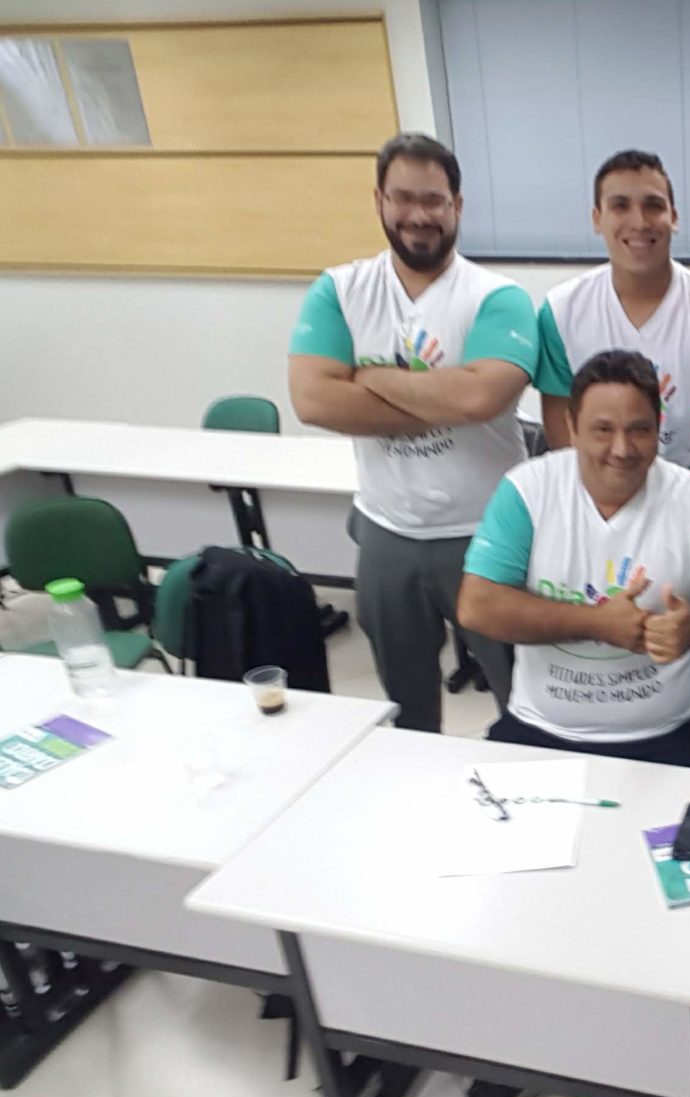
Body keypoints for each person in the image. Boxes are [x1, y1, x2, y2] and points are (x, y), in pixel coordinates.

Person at [288, 133, 536, 736]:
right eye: (403, 198)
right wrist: (445, 396)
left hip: (487, 531)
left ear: (457, 205)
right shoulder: (340, 291)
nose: (418, 215)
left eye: (433, 200)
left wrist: (370, 377)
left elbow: (482, 399)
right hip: (387, 532)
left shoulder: (497, 297)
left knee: (524, 697)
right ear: (379, 200)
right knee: (406, 706)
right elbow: (313, 399)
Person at [459, 348, 690, 770]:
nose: (622, 449)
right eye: (603, 430)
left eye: (639, 429)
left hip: (673, 733)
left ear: (659, 427)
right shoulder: (528, 490)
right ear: (572, 427)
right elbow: (477, 606)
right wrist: (597, 623)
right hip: (542, 727)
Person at [534, 149, 690, 465]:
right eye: (620, 205)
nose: (639, 222)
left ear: (674, 217)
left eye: (653, 206)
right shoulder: (561, 313)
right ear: (597, 219)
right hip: (596, 488)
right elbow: (563, 434)